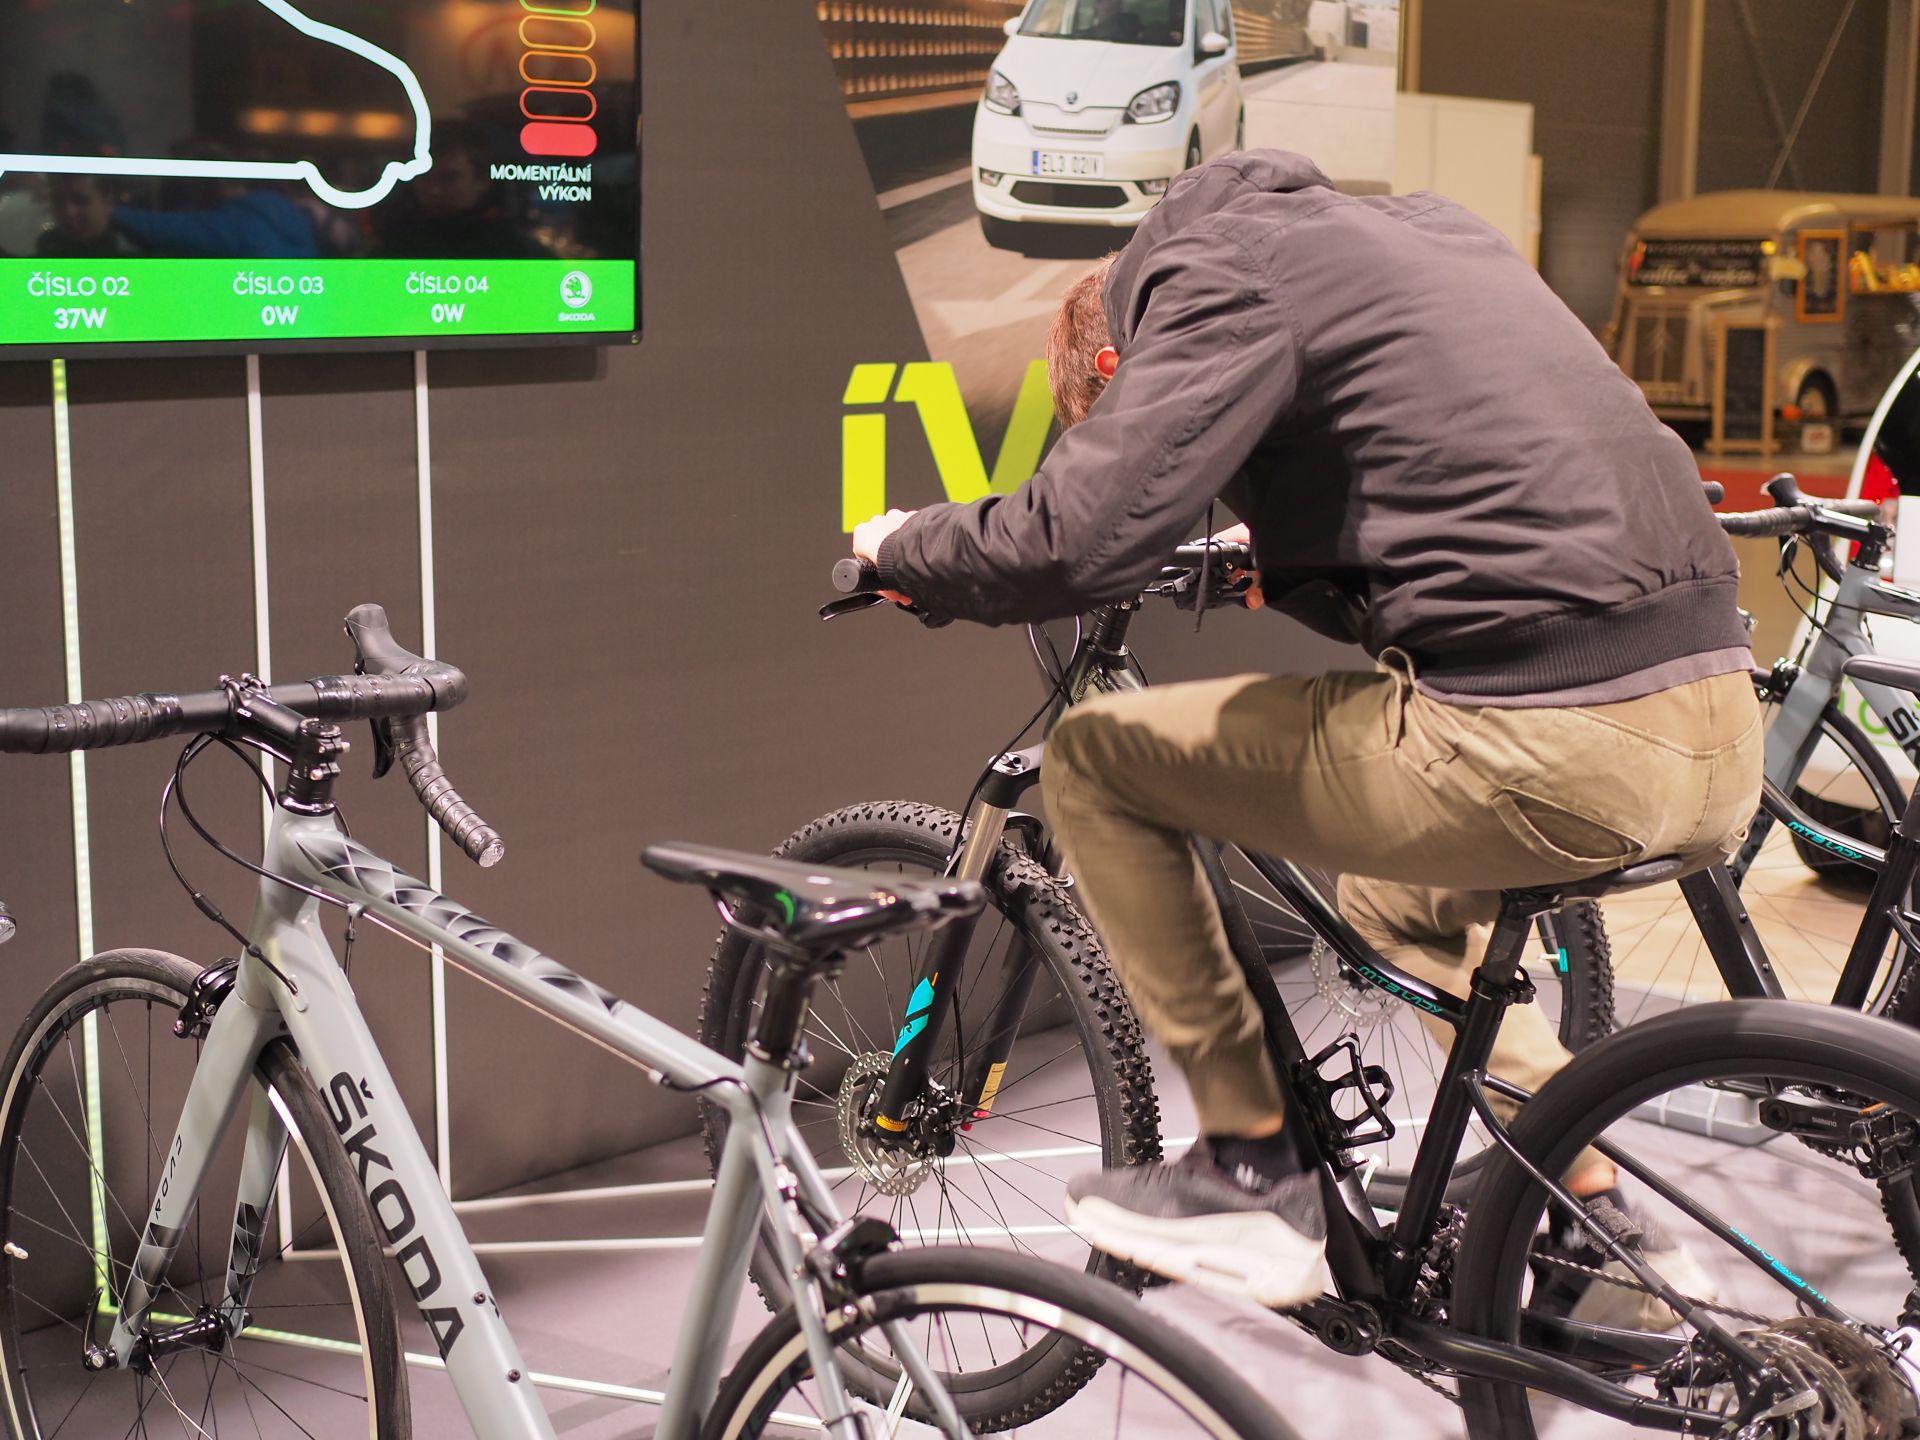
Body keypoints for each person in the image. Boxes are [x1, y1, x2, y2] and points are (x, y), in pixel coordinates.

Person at [850, 149, 1759, 1325]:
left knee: (1098, 761)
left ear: (1118, 366)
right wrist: (1278, 561)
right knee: (1396, 905)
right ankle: (1596, 1213)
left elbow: (1079, 537)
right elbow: (1469, 480)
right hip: (1716, 727)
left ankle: (1246, 1172)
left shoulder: (1210, 272)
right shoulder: (1423, 235)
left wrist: (905, 545)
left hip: (1548, 738)